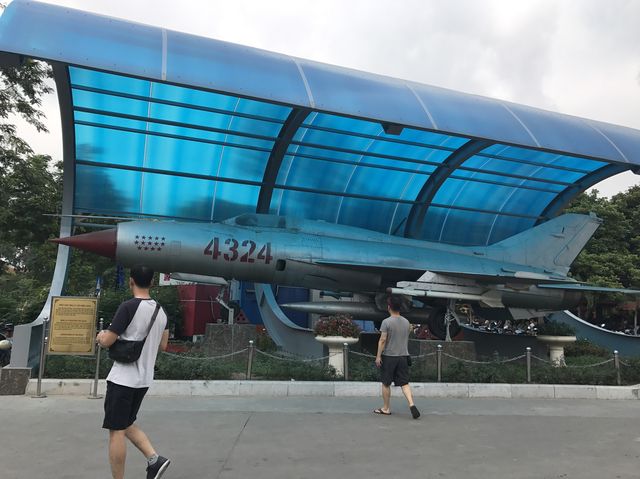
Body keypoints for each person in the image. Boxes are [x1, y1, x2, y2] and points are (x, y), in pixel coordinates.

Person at [96, 265, 171, 479]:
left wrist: (101, 337)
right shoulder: (161, 311)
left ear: (131, 281)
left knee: (117, 430)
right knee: (126, 423)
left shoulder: (128, 307)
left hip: (123, 379)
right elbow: (164, 345)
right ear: (152, 282)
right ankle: (155, 460)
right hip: (143, 380)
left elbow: (109, 340)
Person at [374, 294, 420, 419]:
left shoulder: (386, 322)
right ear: (400, 307)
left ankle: (386, 408)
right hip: (403, 356)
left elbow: (382, 340)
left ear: (389, 307)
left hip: (389, 356)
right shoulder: (406, 322)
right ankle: (411, 404)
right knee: (404, 383)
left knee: (386, 383)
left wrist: (378, 356)